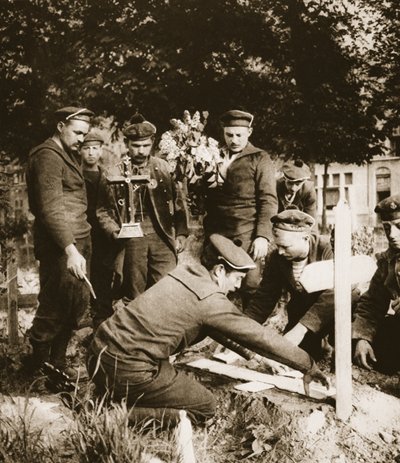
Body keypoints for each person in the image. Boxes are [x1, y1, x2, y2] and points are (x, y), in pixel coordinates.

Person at [87, 234, 329, 425]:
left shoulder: (186, 274)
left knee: (169, 376)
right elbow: (259, 336)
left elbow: (218, 329)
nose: (238, 286)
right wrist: (307, 365)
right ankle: (116, 415)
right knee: (205, 406)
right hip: (130, 369)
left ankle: (111, 395)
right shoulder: (210, 299)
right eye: (237, 278)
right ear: (220, 270)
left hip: (99, 355)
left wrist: (253, 357)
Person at [26, 106, 93, 378]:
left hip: (76, 241)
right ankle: (37, 371)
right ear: (60, 126)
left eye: (85, 134)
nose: (81, 139)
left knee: (71, 306)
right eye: (77, 132)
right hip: (61, 246)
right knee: (55, 305)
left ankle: (57, 366)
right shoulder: (47, 157)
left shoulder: (67, 154)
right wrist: (70, 250)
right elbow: (50, 208)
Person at [96, 114, 189, 301]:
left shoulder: (163, 168)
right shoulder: (113, 172)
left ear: (153, 143)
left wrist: (181, 232)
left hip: (160, 233)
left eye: (146, 146)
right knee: (134, 289)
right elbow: (103, 210)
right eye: (136, 146)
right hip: (131, 237)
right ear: (127, 144)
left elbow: (179, 201)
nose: (141, 151)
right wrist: (114, 231)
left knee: (167, 285)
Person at [203, 109, 278, 305]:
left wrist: (262, 236)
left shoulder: (260, 158)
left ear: (249, 133)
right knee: (213, 283)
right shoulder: (212, 156)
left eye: (239, 135)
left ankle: (248, 329)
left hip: (246, 232)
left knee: (249, 285)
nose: (234, 140)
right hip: (218, 232)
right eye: (229, 135)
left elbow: (268, 199)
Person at [245, 209, 335, 359]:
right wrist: (238, 333)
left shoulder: (328, 248)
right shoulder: (276, 258)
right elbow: (263, 300)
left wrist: (301, 329)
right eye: (278, 246)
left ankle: (330, 342)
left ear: (305, 238)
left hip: (332, 314)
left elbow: (336, 294)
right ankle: (319, 344)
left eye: (286, 247)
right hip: (302, 315)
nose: (280, 252)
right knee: (293, 355)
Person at [352, 194, 400, 374]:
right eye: (387, 228)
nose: (392, 235)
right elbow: (372, 303)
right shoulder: (388, 261)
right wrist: (362, 338)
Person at [80, 129, 113, 329]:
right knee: (84, 269)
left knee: (103, 269)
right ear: (81, 151)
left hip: (102, 231)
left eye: (95, 148)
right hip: (82, 228)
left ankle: (102, 311)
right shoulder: (76, 174)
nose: (91, 153)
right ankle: (83, 310)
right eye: (86, 148)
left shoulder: (107, 176)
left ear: (101, 151)